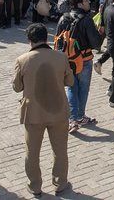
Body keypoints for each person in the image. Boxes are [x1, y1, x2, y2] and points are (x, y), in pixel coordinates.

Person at [13, 23, 74, 197]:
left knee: (32, 153)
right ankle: (60, 183)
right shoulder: (61, 57)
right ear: (46, 36)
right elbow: (70, 82)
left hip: (33, 113)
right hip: (58, 111)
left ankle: (35, 187)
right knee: (60, 151)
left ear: (29, 40)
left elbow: (17, 87)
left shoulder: (22, 60)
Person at [56, 0, 102, 132]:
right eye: (87, 0)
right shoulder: (86, 19)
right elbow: (96, 44)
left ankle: (73, 120)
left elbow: (57, 39)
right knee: (83, 89)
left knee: (71, 87)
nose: (89, 2)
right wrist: (100, 33)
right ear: (80, 4)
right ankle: (80, 116)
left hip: (67, 59)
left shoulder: (63, 18)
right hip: (84, 59)